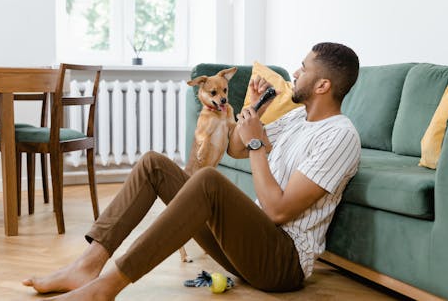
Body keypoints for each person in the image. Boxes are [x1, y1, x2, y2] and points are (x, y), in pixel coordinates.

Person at [22, 42, 361, 300]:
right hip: (248, 249)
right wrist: (252, 110)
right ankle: (87, 266)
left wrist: (258, 144)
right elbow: (236, 148)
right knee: (154, 163)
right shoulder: (295, 119)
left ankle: (106, 288)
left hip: (281, 264)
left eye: (303, 69)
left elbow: (277, 210)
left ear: (322, 86)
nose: (296, 73)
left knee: (208, 180)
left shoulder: (340, 135)